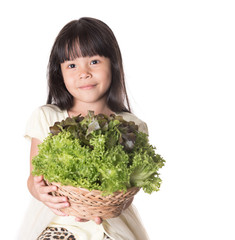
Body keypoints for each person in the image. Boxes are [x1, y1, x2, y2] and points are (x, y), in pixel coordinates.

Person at [19, 17, 150, 240]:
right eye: (72, 65)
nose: (84, 73)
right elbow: (34, 178)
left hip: (112, 227)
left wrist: (106, 204)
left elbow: (129, 190)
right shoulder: (48, 117)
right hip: (60, 223)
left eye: (94, 61)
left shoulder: (132, 126)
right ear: (59, 72)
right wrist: (40, 191)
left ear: (114, 64)